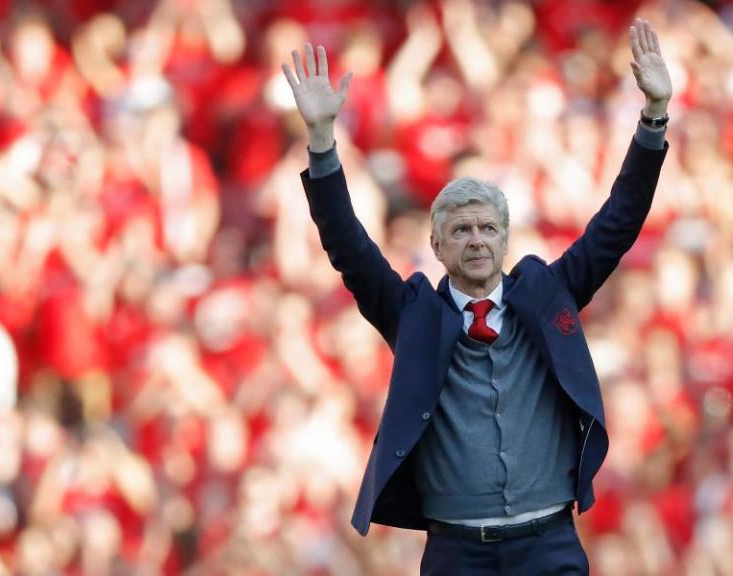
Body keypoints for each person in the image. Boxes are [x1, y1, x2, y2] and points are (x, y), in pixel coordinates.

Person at [282, 17, 671, 575]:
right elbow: (347, 245)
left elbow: (619, 221)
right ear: (436, 245)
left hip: (549, 542)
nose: (476, 240)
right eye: (461, 230)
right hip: (457, 551)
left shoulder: (547, 294)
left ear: (507, 239)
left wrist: (653, 117)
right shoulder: (413, 315)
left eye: (488, 229)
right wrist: (322, 141)